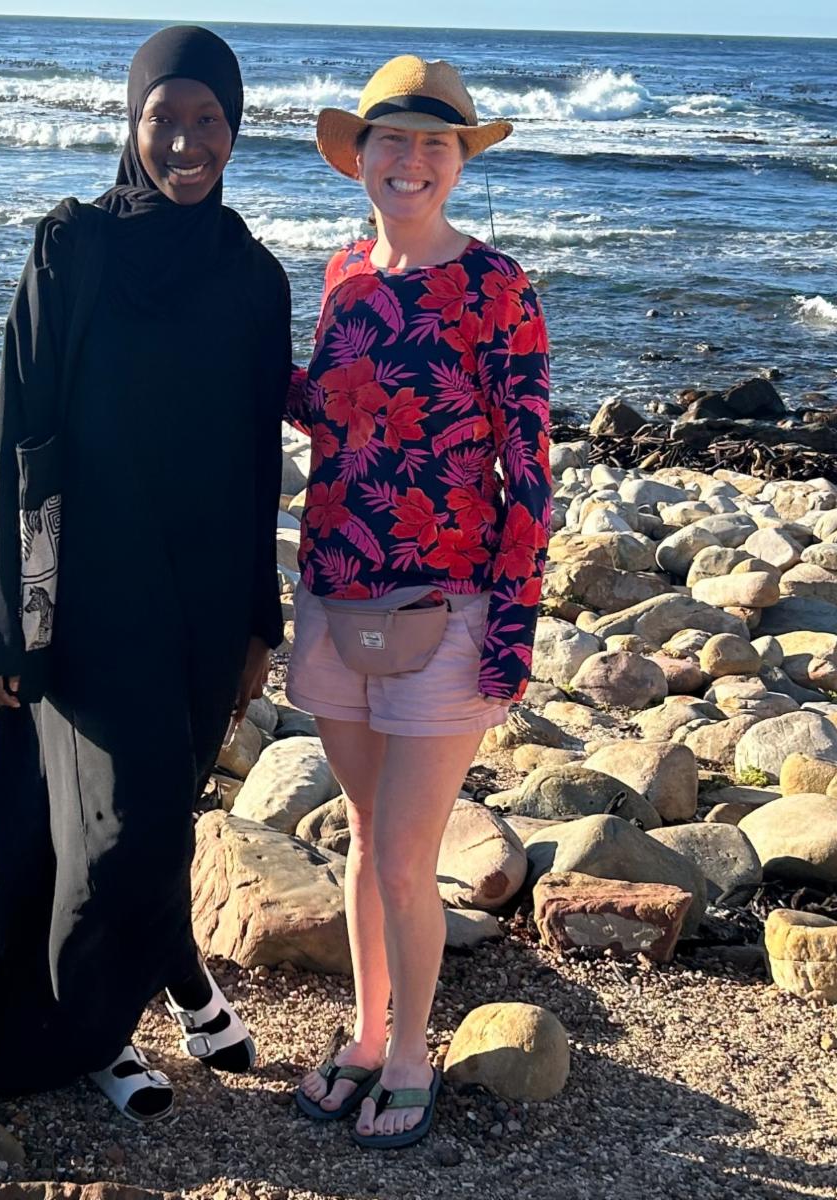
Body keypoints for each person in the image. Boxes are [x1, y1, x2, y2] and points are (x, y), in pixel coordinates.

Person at [0, 25, 291, 1123]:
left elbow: (262, 456)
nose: (186, 141)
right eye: (165, 117)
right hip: (84, 597)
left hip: (205, 600)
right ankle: (85, 1034)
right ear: (132, 122)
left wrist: (261, 621)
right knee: (113, 829)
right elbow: (19, 425)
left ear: (236, 127)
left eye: (208, 119)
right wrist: (1, 623)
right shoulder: (75, 248)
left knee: (155, 814)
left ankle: (166, 991)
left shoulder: (255, 279)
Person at [288, 56, 551, 1149]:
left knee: (405, 855)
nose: (411, 161)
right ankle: (363, 1030)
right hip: (334, 590)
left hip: (448, 603)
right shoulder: (345, 272)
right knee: (361, 836)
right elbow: (324, 414)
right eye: (391, 141)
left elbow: (528, 464)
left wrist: (515, 631)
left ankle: (409, 1055)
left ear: (458, 164)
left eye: (434, 145)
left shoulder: (498, 286)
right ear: (361, 159)